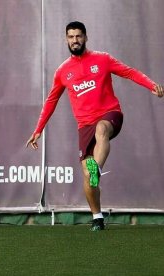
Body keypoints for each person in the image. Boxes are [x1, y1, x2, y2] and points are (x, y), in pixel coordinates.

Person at [26, 21, 163, 231]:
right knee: (88, 178)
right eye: (71, 37)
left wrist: (151, 84)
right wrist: (38, 130)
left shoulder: (102, 59)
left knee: (101, 131)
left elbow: (130, 72)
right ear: (66, 40)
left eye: (78, 36)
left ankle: (97, 168)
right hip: (84, 126)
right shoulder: (63, 71)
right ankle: (97, 217)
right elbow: (51, 102)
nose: (75, 40)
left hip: (110, 115)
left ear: (86, 37)